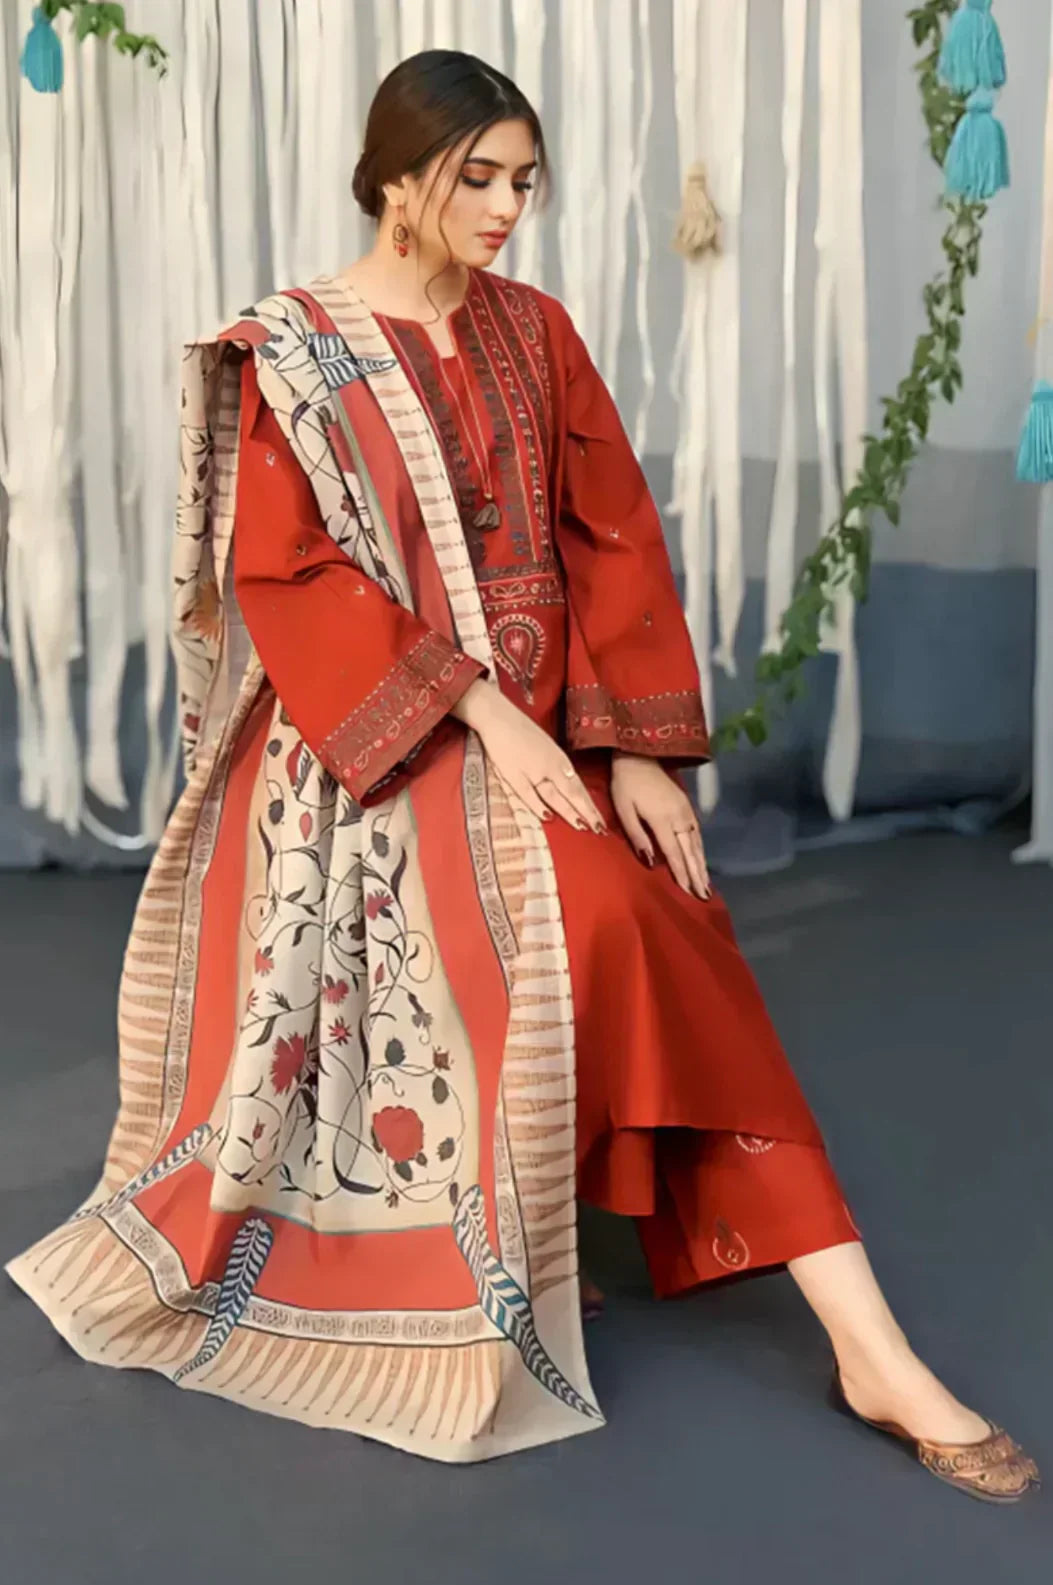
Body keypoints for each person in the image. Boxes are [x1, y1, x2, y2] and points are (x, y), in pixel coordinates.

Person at [5, 50, 1038, 1495]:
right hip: (379, 744)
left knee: (672, 913)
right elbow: (288, 573)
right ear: (393, 180)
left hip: (560, 731)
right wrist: (483, 714)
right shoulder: (294, 349)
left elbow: (607, 536)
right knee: (606, 927)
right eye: (475, 178)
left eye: (523, 182)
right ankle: (856, 1338)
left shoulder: (536, 330)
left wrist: (634, 752)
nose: (505, 208)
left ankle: (865, 1345)